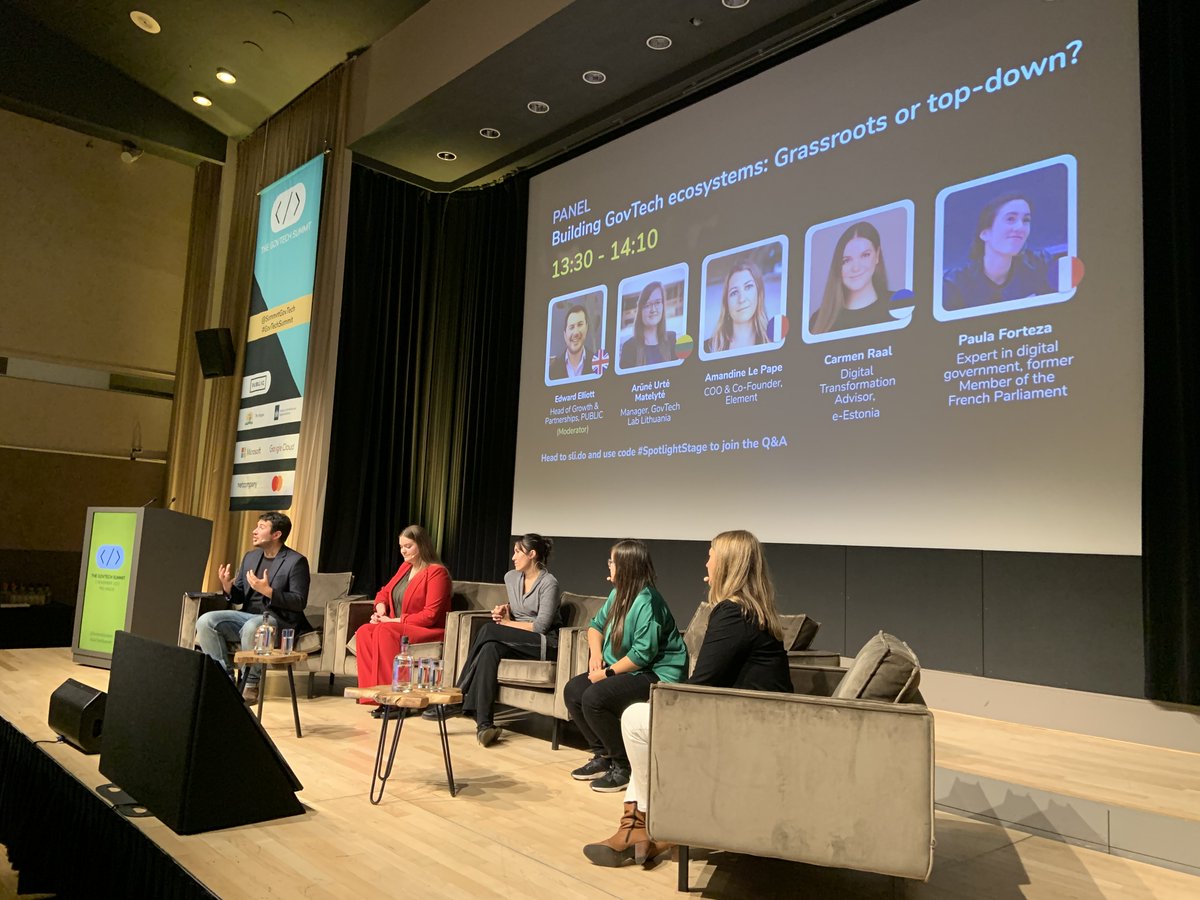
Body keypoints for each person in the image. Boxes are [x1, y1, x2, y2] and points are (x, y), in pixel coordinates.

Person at [582, 529, 791, 867]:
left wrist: (667, 706)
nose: (706, 560)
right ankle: (637, 828)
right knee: (640, 722)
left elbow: (700, 685)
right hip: (748, 718)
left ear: (727, 564)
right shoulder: (750, 611)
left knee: (637, 719)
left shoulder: (733, 613)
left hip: (749, 728)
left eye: (711, 553)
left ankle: (649, 825)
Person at [564, 539, 687, 793]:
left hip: (657, 673)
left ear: (626, 566)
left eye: (612, 561)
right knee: (573, 691)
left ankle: (624, 767)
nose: (608, 565)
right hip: (629, 668)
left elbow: (643, 654)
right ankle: (604, 756)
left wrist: (607, 673)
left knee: (595, 698)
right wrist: (596, 656)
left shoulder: (647, 601)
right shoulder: (618, 593)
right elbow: (595, 627)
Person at [446, 534, 562, 745]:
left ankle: (458, 693)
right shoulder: (512, 577)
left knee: (490, 631)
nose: (513, 557)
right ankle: (485, 725)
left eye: (518, 552)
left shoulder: (549, 583)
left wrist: (507, 624)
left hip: (545, 643)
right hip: (520, 639)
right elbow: (519, 609)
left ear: (532, 554)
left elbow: (540, 627)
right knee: (490, 648)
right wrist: (504, 609)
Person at [195, 511, 311, 705]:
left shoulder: (295, 561)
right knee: (206, 621)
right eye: (256, 526)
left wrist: (269, 592)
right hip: (247, 615)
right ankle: (225, 681)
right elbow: (239, 595)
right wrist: (228, 587)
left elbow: (299, 602)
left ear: (276, 534)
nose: (254, 531)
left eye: (261, 527)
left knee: (254, 626)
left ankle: (250, 684)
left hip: (278, 620)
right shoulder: (250, 557)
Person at [354, 524, 452, 714]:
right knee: (366, 630)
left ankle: (396, 701)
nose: (403, 551)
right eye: (401, 547)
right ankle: (374, 695)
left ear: (422, 545)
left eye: (408, 546)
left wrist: (392, 621)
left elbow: (430, 615)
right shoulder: (406, 568)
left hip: (428, 629)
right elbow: (384, 592)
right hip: (400, 626)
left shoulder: (437, 573)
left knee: (385, 630)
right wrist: (381, 610)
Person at [942, 192, 1059, 310]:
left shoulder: (1042, 263)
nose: (1020, 227)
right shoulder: (954, 283)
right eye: (1010, 219)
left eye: (1026, 220)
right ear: (985, 233)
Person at [809, 221, 894, 334]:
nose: (856, 268)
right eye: (846, 260)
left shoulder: (899, 304)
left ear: (877, 255)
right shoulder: (818, 320)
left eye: (865, 255)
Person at [703, 259, 775, 353]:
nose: (741, 299)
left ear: (759, 293)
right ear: (726, 303)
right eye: (734, 292)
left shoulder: (774, 342)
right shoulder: (707, 347)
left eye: (748, 287)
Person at [619, 281, 676, 369]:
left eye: (657, 302)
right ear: (640, 310)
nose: (653, 310)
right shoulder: (629, 347)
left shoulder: (671, 339)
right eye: (647, 305)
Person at [548, 304, 592, 380]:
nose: (576, 333)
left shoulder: (597, 363)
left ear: (587, 327)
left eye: (580, 325)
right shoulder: (552, 370)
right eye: (571, 327)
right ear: (565, 334)